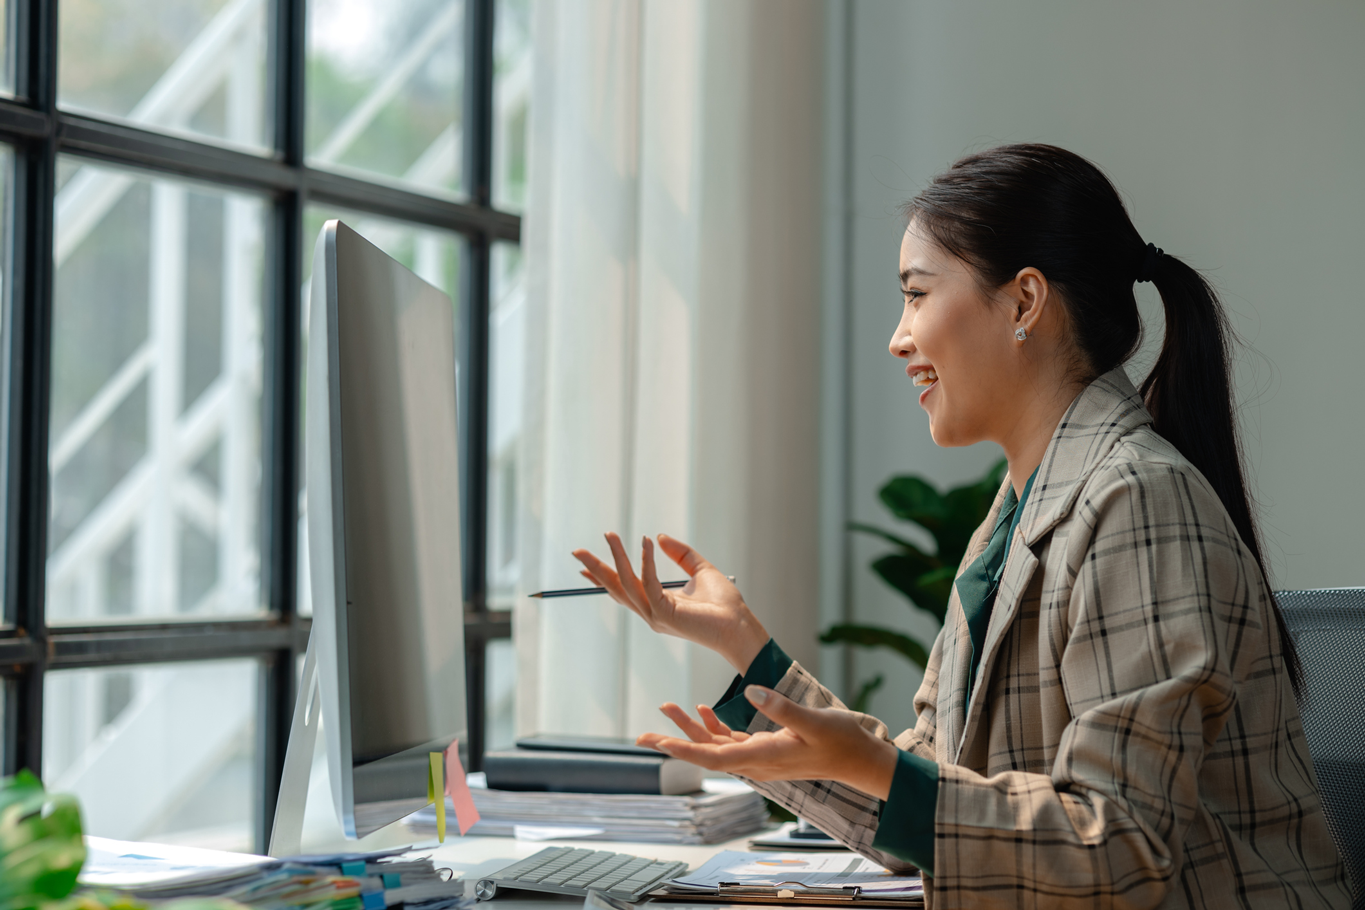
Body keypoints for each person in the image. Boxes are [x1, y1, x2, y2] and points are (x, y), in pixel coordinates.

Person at [571, 144, 1351, 909]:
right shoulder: (1014, 515)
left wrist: (878, 768)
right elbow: (930, 810)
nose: (897, 336)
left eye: (915, 294)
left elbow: (1120, 850)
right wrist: (741, 644)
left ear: (1023, 302)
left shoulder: (1136, 501)